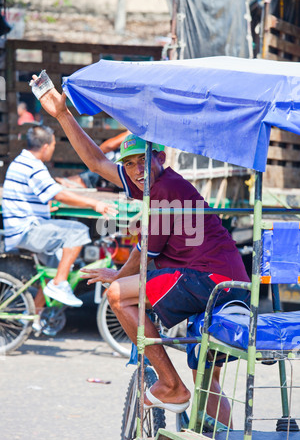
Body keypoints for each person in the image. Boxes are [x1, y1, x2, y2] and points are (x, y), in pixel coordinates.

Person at [32, 79, 250, 422]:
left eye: (142, 161)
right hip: (230, 283)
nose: (135, 171)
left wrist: (118, 277)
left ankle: (170, 385)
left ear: (160, 158)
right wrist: (62, 115)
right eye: (130, 164)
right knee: (208, 381)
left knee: (118, 295)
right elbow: (97, 163)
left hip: (207, 279)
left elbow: (144, 252)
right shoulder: (154, 181)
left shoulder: (165, 189)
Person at [2, 125, 117, 312]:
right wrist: (93, 204)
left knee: (55, 269)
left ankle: (33, 318)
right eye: (54, 144)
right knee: (77, 231)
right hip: (27, 229)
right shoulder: (33, 165)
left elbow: (42, 194)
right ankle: (59, 284)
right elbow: (59, 194)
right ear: (46, 146)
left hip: (26, 226)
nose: (54, 149)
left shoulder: (23, 161)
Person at [55, 130, 129, 189]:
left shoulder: (135, 134)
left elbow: (106, 147)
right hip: (128, 181)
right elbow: (103, 149)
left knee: (113, 157)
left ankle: (83, 181)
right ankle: (82, 180)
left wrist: (129, 134)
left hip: (129, 183)